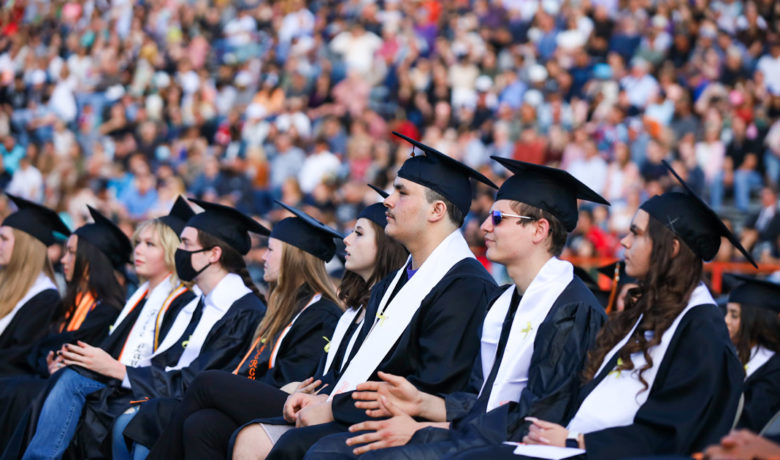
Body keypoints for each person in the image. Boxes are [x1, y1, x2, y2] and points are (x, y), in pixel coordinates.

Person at [305, 158, 610, 459]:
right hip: (477, 438)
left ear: (539, 230)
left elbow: (535, 421)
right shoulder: (504, 303)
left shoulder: (570, 312)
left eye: (499, 218)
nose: (485, 226)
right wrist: (424, 404)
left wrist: (426, 430)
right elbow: (481, 397)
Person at [449, 161, 751, 459]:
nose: (624, 241)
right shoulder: (650, 313)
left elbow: (671, 433)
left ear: (671, 248)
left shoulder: (702, 330)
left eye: (637, 233)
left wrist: (576, 441)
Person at [230, 132, 499, 459]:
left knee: (295, 446)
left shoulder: (466, 287)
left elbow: (429, 387)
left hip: (410, 429)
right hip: (360, 409)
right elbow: (360, 368)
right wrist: (324, 400)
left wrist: (333, 408)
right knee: (233, 431)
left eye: (401, 192)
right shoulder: (392, 284)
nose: (387, 200)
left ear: (436, 210)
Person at [145, 201, 349, 459]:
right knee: (201, 425)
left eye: (271, 250)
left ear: (292, 256)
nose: (263, 256)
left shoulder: (322, 314)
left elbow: (295, 379)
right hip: (270, 395)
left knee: (207, 382)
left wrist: (238, 390)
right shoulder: (283, 307)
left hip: (291, 402)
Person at [15, 197, 200, 460]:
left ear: (171, 252)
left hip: (145, 392)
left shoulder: (184, 303)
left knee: (64, 385)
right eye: (138, 243)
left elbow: (164, 368)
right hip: (120, 383)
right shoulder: (140, 298)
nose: (137, 251)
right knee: (64, 378)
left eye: (149, 245)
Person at [113, 197, 269, 459]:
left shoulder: (243, 311)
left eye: (186, 244)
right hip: (170, 396)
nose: (179, 251)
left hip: (198, 407)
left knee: (137, 423)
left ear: (214, 254)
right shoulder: (199, 302)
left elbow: (202, 377)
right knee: (122, 421)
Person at [0, 205, 129, 448]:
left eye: (71, 252)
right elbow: (42, 348)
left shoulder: (106, 310)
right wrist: (47, 360)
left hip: (78, 390)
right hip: (44, 377)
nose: (62, 259)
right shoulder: (68, 304)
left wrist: (49, 357)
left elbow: (58, 347)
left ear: (89, 260)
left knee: (16, 391)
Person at [0, 194, 70, 375]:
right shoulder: (4, 283)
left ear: (25, 246)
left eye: (4, 239)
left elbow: (19, 358)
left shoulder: (45, 298)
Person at [723, 275, 780, 433]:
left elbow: (751, 419)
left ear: (755, 319)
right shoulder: (728, 352)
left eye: (734, 315)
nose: (725, 320)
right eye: (727, 313)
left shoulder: (774, 369)